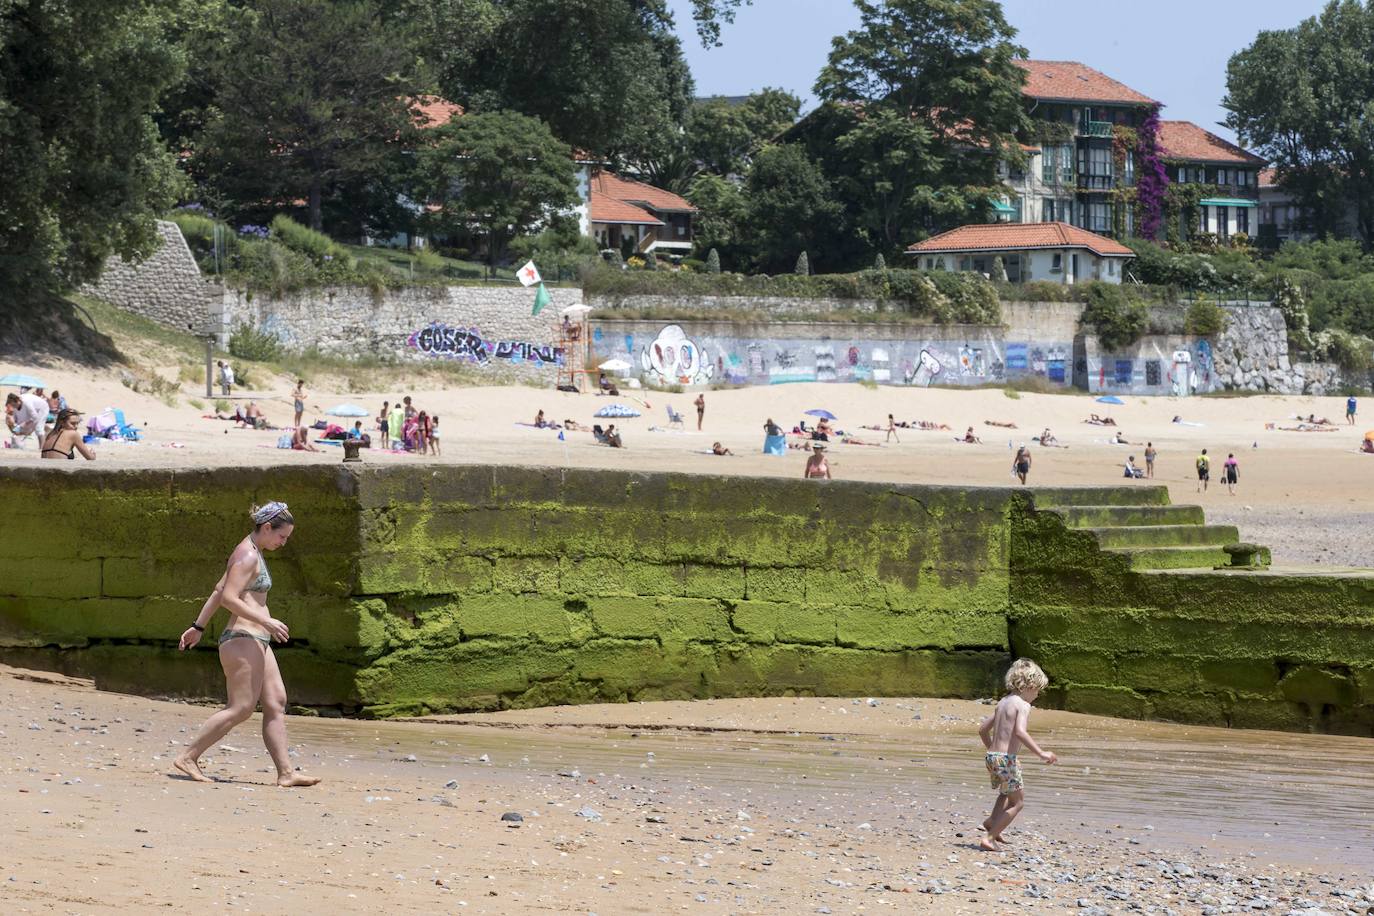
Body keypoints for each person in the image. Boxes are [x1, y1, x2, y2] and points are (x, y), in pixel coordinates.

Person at [174, 503, 320, 788]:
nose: (284, 542)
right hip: (242, 638)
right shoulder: (247, 555)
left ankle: (286, 773)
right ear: (267, 528)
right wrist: (266, 622)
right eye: (282, 537)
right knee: (241, 708)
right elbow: (229, 597)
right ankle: (188, 756)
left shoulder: (253, 551)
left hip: (257, 640)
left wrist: (198, 626)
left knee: (276, 701)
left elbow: (218, 590)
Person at [977, 659, 1056, 852]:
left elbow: (982, 730)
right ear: (1028, 686)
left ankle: (992, 822)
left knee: (1005, 792)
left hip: (992, 757)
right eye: (1037, 690)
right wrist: (1041, 753)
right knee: (1018, 802)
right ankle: (989, 837)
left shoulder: (1003, 702)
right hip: (1005, 760)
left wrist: (993, 752)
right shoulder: (1022, 705)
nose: (1037, 695)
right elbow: (1020, 732)